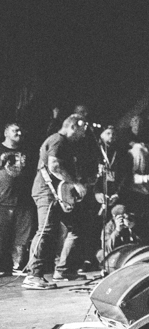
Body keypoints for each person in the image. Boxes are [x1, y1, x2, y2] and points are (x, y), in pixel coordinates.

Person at [23, 114, 90, 289]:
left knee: (76, 227)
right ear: (73, 126)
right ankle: (33, 275)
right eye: (82, 129)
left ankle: (63, 270)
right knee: (45, 230)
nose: (84, 134)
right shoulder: (57, 140)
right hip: (47, 192)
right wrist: (75, 183)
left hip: (59, 194)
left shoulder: (65, 144)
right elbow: (54, 166)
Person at [0, 122, 33, 274]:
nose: (19, 133)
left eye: (20, 131)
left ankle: (18, 265)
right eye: (15, 130)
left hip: (23, 201)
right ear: (6, 133)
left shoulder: (26, 151)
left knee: (22, 237)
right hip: (3, 200)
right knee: (2, 236)